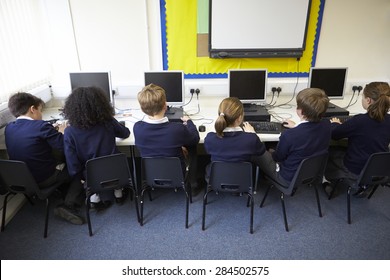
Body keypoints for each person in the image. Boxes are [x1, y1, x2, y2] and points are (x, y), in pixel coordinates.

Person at [5, 92, 85, 225]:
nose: (41, 115)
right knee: (78, 166)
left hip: (20, 180)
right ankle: (68, 205)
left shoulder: (9, 128)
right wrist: (63, 132)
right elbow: (66, 147)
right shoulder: (41, 126)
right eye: (40, 110)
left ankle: (64, 192)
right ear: (32, 109)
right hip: (44, 179)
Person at [62, 86, 130, 209]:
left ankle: (94, 197)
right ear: (101, 105)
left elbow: (73, 165)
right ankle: (118, 193)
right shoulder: (107, 121)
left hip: (90, 176)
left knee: (86, 170)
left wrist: (81, 179)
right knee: (116, 161)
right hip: (116, 170)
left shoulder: (69, 132)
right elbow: (125, 133)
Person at [254, 88, 331, 186]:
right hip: (312, 174)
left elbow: (278, 157)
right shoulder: (327, 125)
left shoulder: (289, 135)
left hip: (287, 178)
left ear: (301, 112)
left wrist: (269, 152)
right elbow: (309, 134)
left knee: (259, 152)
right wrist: (296, 126)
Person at [324, 82, 390, 197]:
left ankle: (327, 182)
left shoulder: (359, 120)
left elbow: (335, 134)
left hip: (355, 170)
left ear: (368, 100)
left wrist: (335, 123)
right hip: (379, 170)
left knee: (329, 152)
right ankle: (366, 186)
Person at [133, 84, 200, 194]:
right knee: (191, 146)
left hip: (150, 174)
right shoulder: (177, 129)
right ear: (165, 106)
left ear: (142, 109)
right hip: (176, 173)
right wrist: (189, 122)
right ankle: (192, 185)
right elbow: (195, 139)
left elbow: (157, 142)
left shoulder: (138, 128)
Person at [203, 97, 266, 182]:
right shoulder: (251, 139)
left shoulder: (210, 139)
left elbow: (208, 150)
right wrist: (252, 134)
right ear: (240, 118)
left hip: (217, 180)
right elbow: (261, 151)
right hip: (242, 180)